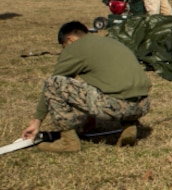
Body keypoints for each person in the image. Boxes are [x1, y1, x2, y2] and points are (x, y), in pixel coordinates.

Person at [21, 21, 151, 152]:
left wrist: (37, 121)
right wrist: (91, 116)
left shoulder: (75, 48)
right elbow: (104, 81)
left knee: (53, 84)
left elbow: (53, 84)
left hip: (116, 106)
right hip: (142, 105)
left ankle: (68, 142)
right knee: (119, 87)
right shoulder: (110, 42)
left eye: (64, 46)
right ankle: (129, 128)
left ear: (69, 40)